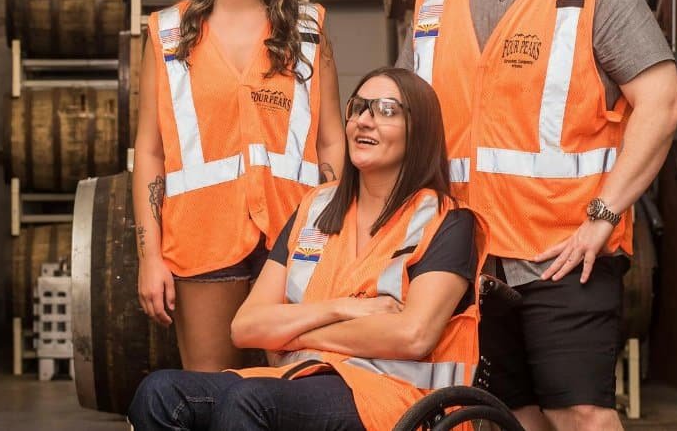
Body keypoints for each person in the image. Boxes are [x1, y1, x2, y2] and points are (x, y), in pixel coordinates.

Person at [398, 0, 677, 431]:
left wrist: (602, 218)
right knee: (507, 416)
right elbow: (404, 116)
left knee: (579, 413)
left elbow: (664, 104)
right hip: (465, 258)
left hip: (563, 253)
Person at [129, 67, 482, 431]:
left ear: (419, 131)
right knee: (160, 392)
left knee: (250, 400)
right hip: (304, 380)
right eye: (358, 107)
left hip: (397, 397)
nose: (364, 120)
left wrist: (295, 334)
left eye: (386, 110)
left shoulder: (447, 221)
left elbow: (412, 335)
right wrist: (345, 309)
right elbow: (246, 327)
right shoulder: (315, 208)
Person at [132, 0, 345, 371]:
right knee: (210, 395)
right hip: (200, 239)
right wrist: (150, 255)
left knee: (296, 393)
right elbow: (148, 150)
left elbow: (332, 136)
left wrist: (335, 231)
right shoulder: (168, 33)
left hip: (294, 238)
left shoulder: (307, 30)